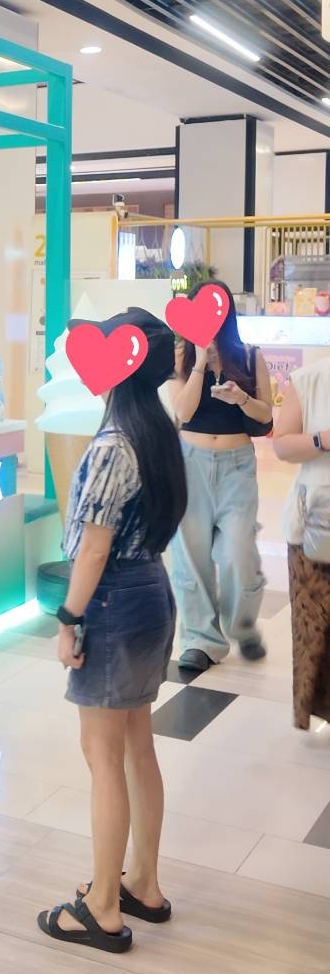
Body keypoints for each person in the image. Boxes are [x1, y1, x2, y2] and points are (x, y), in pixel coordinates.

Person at [39, 308, 186, 954]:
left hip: (114, 600)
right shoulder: (157, 432)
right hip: (152, 589)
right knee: (136, 747)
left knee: (102, 756)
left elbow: (93, 548)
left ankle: (102, 905)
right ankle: (142, 884)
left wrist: (68, 619)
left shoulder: (111, 444)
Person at [167, 282, 273, 675]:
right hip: (190, 462)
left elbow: (266, 416)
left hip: (236, 467)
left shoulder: (249, 354)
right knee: (190, 557)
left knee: (238, 553)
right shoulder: (181, 356)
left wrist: (240, 398)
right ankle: (200, 640)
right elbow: (182, 411)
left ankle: (242, 624)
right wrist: (199, 361)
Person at [272, 358, 330, 729]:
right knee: (315, 631)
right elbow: (282, 445)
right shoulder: (311, 379)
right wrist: (322, 440)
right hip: (317, 528)